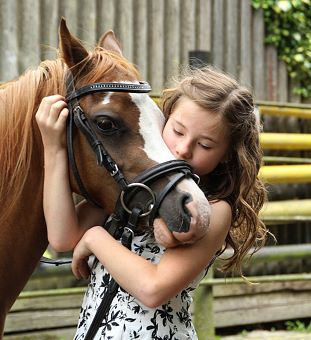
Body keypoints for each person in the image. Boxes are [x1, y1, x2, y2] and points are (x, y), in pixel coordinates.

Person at [35, 66, 268, 339]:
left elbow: (153, 289)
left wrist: (95, 237)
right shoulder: (131, 189)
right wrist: (53, 148)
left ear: (227, 154)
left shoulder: (216, 209)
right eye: (178, 131)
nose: (183, 149)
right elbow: (63, 237)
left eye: (205, 145)